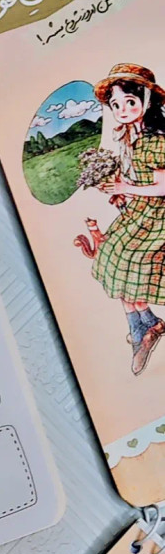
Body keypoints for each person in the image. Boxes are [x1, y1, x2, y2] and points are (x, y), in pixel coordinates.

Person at [92, 64, 165, 375]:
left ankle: (141, 331)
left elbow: (162, 187)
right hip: (141, 210)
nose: (122, 110)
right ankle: (146, 325)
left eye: (130, 102)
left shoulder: (156, 140)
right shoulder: (132, 137)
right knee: (111, 257)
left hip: (158, 217)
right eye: (116, 104)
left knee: (124, 262)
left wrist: (126, 188)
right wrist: (121, 191)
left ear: (146, 101)